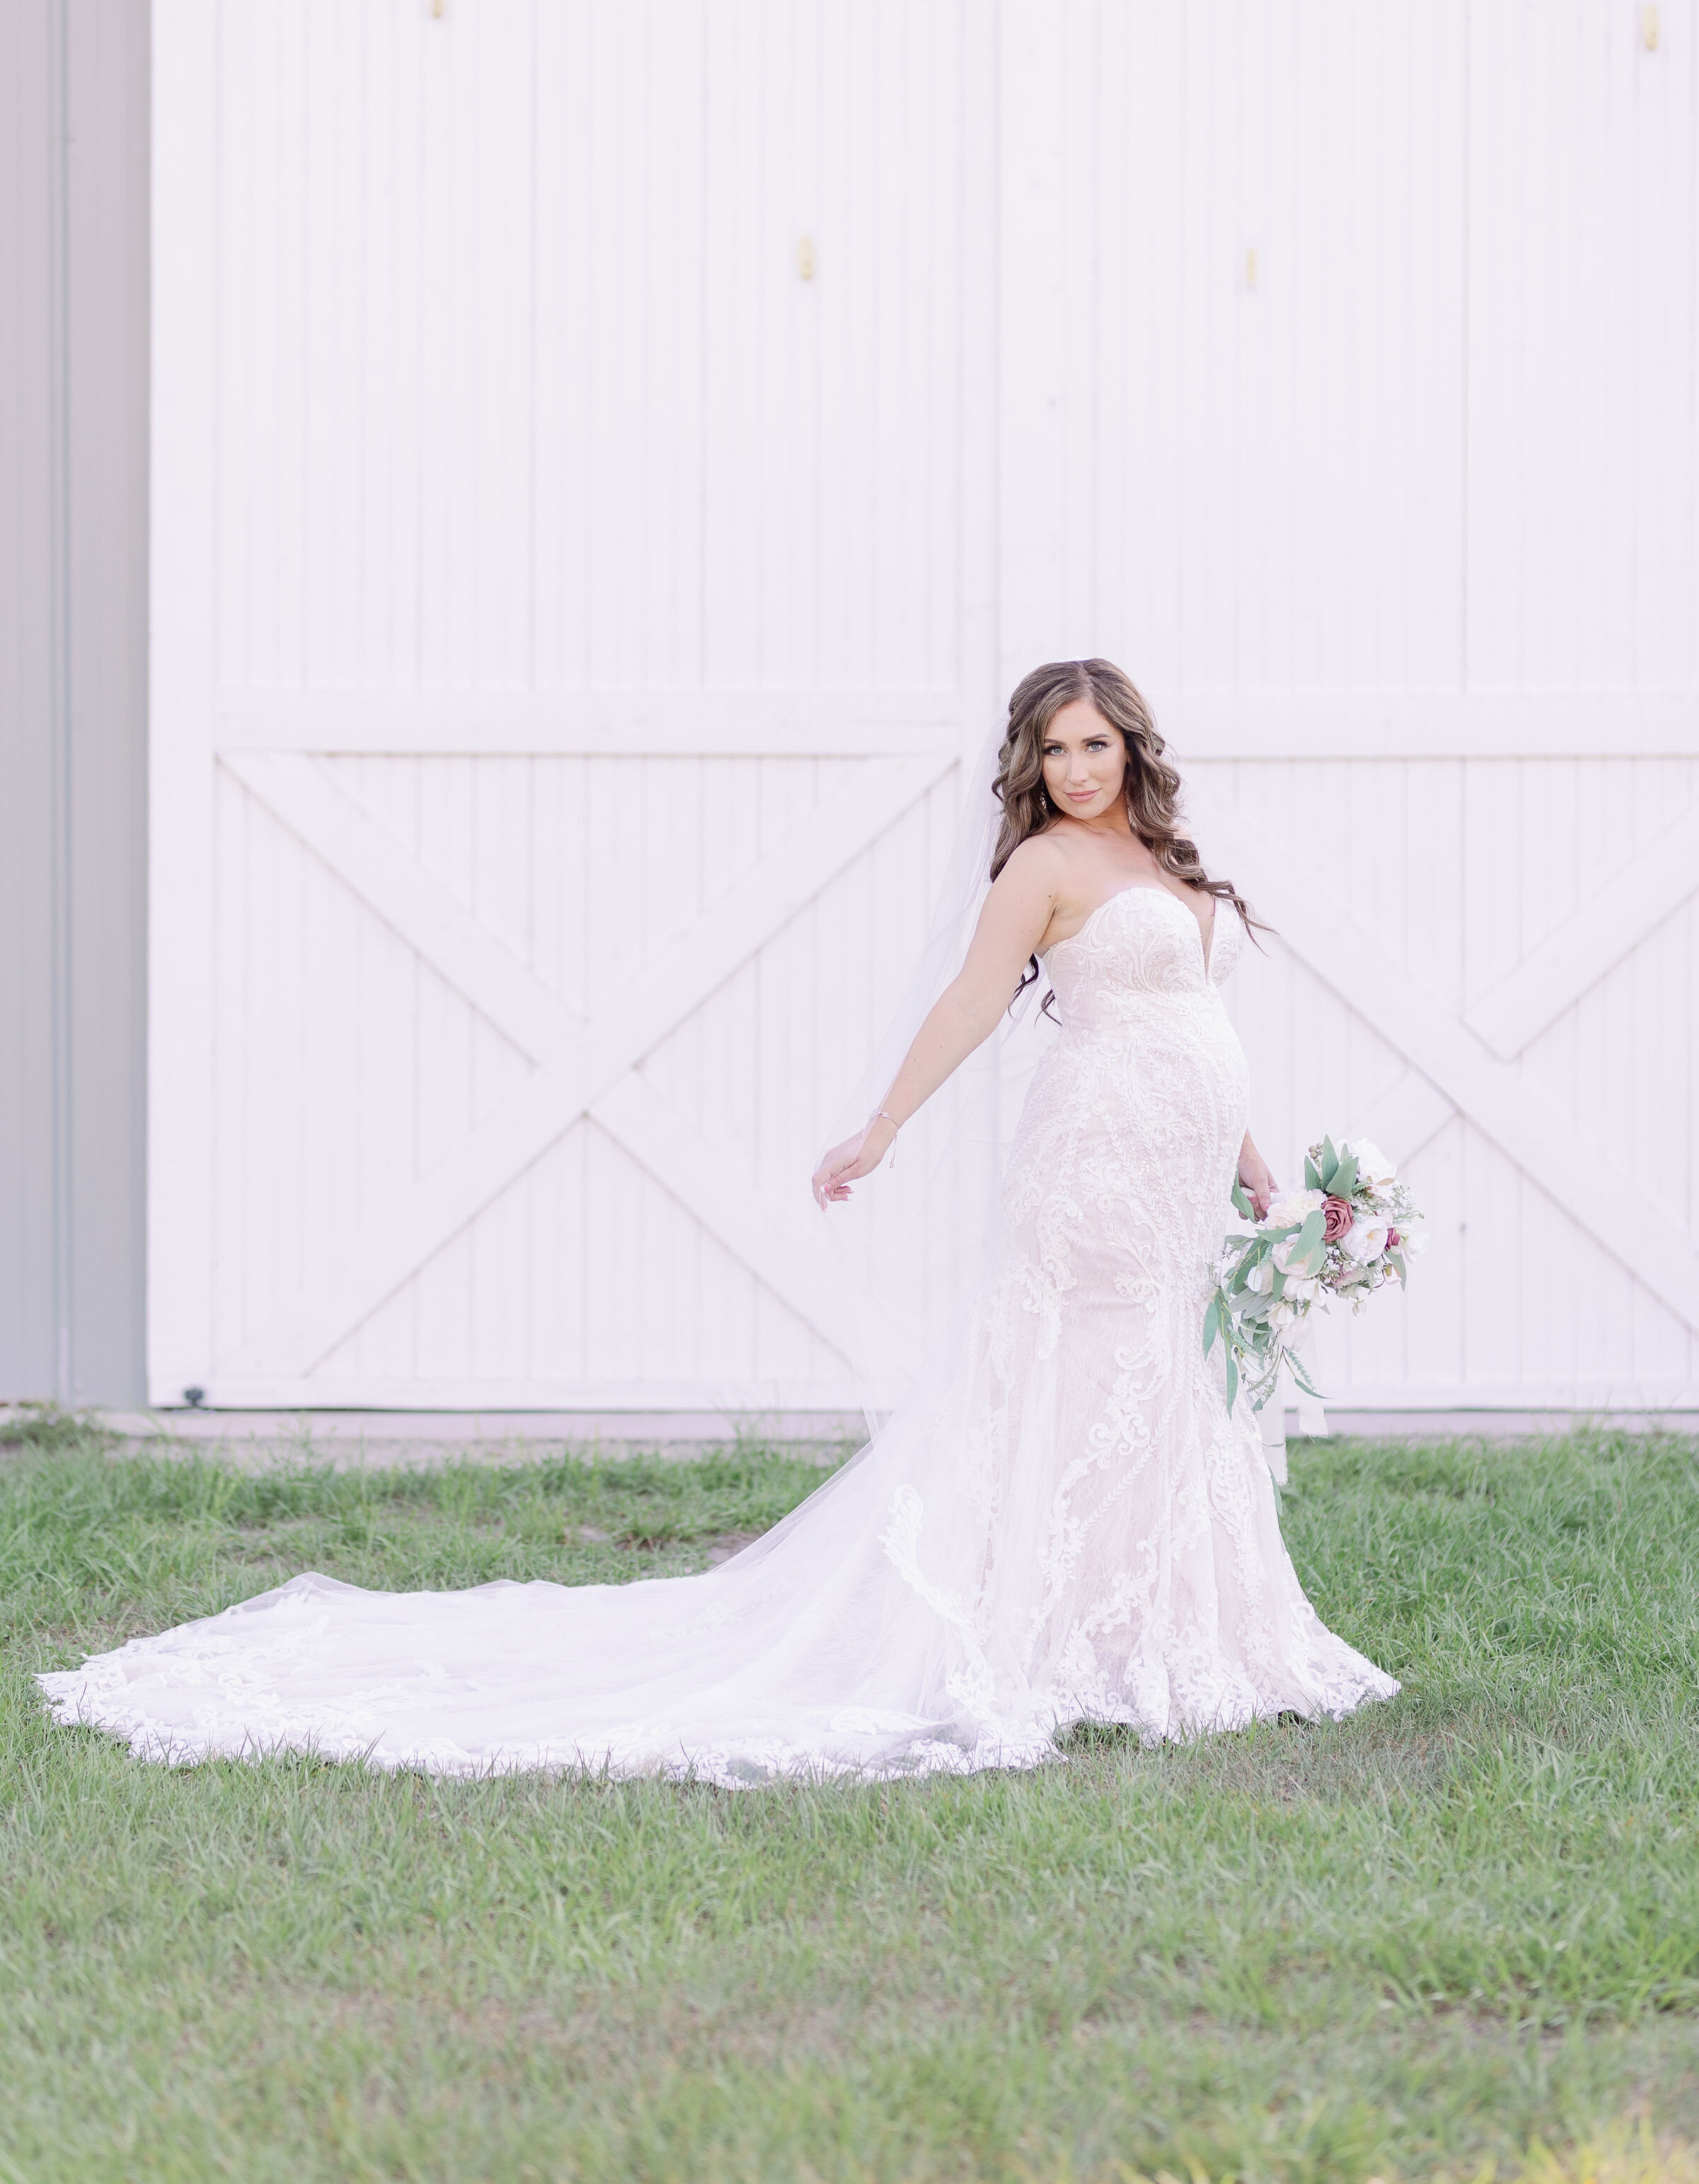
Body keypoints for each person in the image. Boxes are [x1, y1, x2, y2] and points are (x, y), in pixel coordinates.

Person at [39, 659, 1396, 1782]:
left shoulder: (1161, 857)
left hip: (1181, 1174)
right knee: (1072, 1372)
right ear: (1031, 766)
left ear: (1133, 747)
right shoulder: (1042, 865)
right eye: (1055, 750)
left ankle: (1152, 1628)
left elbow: (1196, 1030)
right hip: (1091, 1165)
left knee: (1162, 1373)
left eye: (1095, 744)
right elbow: (973, 1006)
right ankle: (1026, 1635)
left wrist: (1259, 1177)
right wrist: (882, 1127)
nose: (1077, 768)